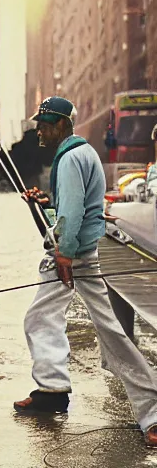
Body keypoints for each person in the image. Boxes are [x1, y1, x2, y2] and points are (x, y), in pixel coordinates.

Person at [15, 96, 157, 447]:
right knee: (42, 317)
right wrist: (47, 203)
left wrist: (64, 254)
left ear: (63, 124)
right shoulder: (83, 153)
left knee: (110, 334)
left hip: (74, 254)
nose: (40, 130)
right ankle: (52, 390)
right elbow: (76, 205)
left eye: (46, 124)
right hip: (78, 250)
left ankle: (153, 413)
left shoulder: (70, 158)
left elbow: (75, 212)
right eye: (39, 124)